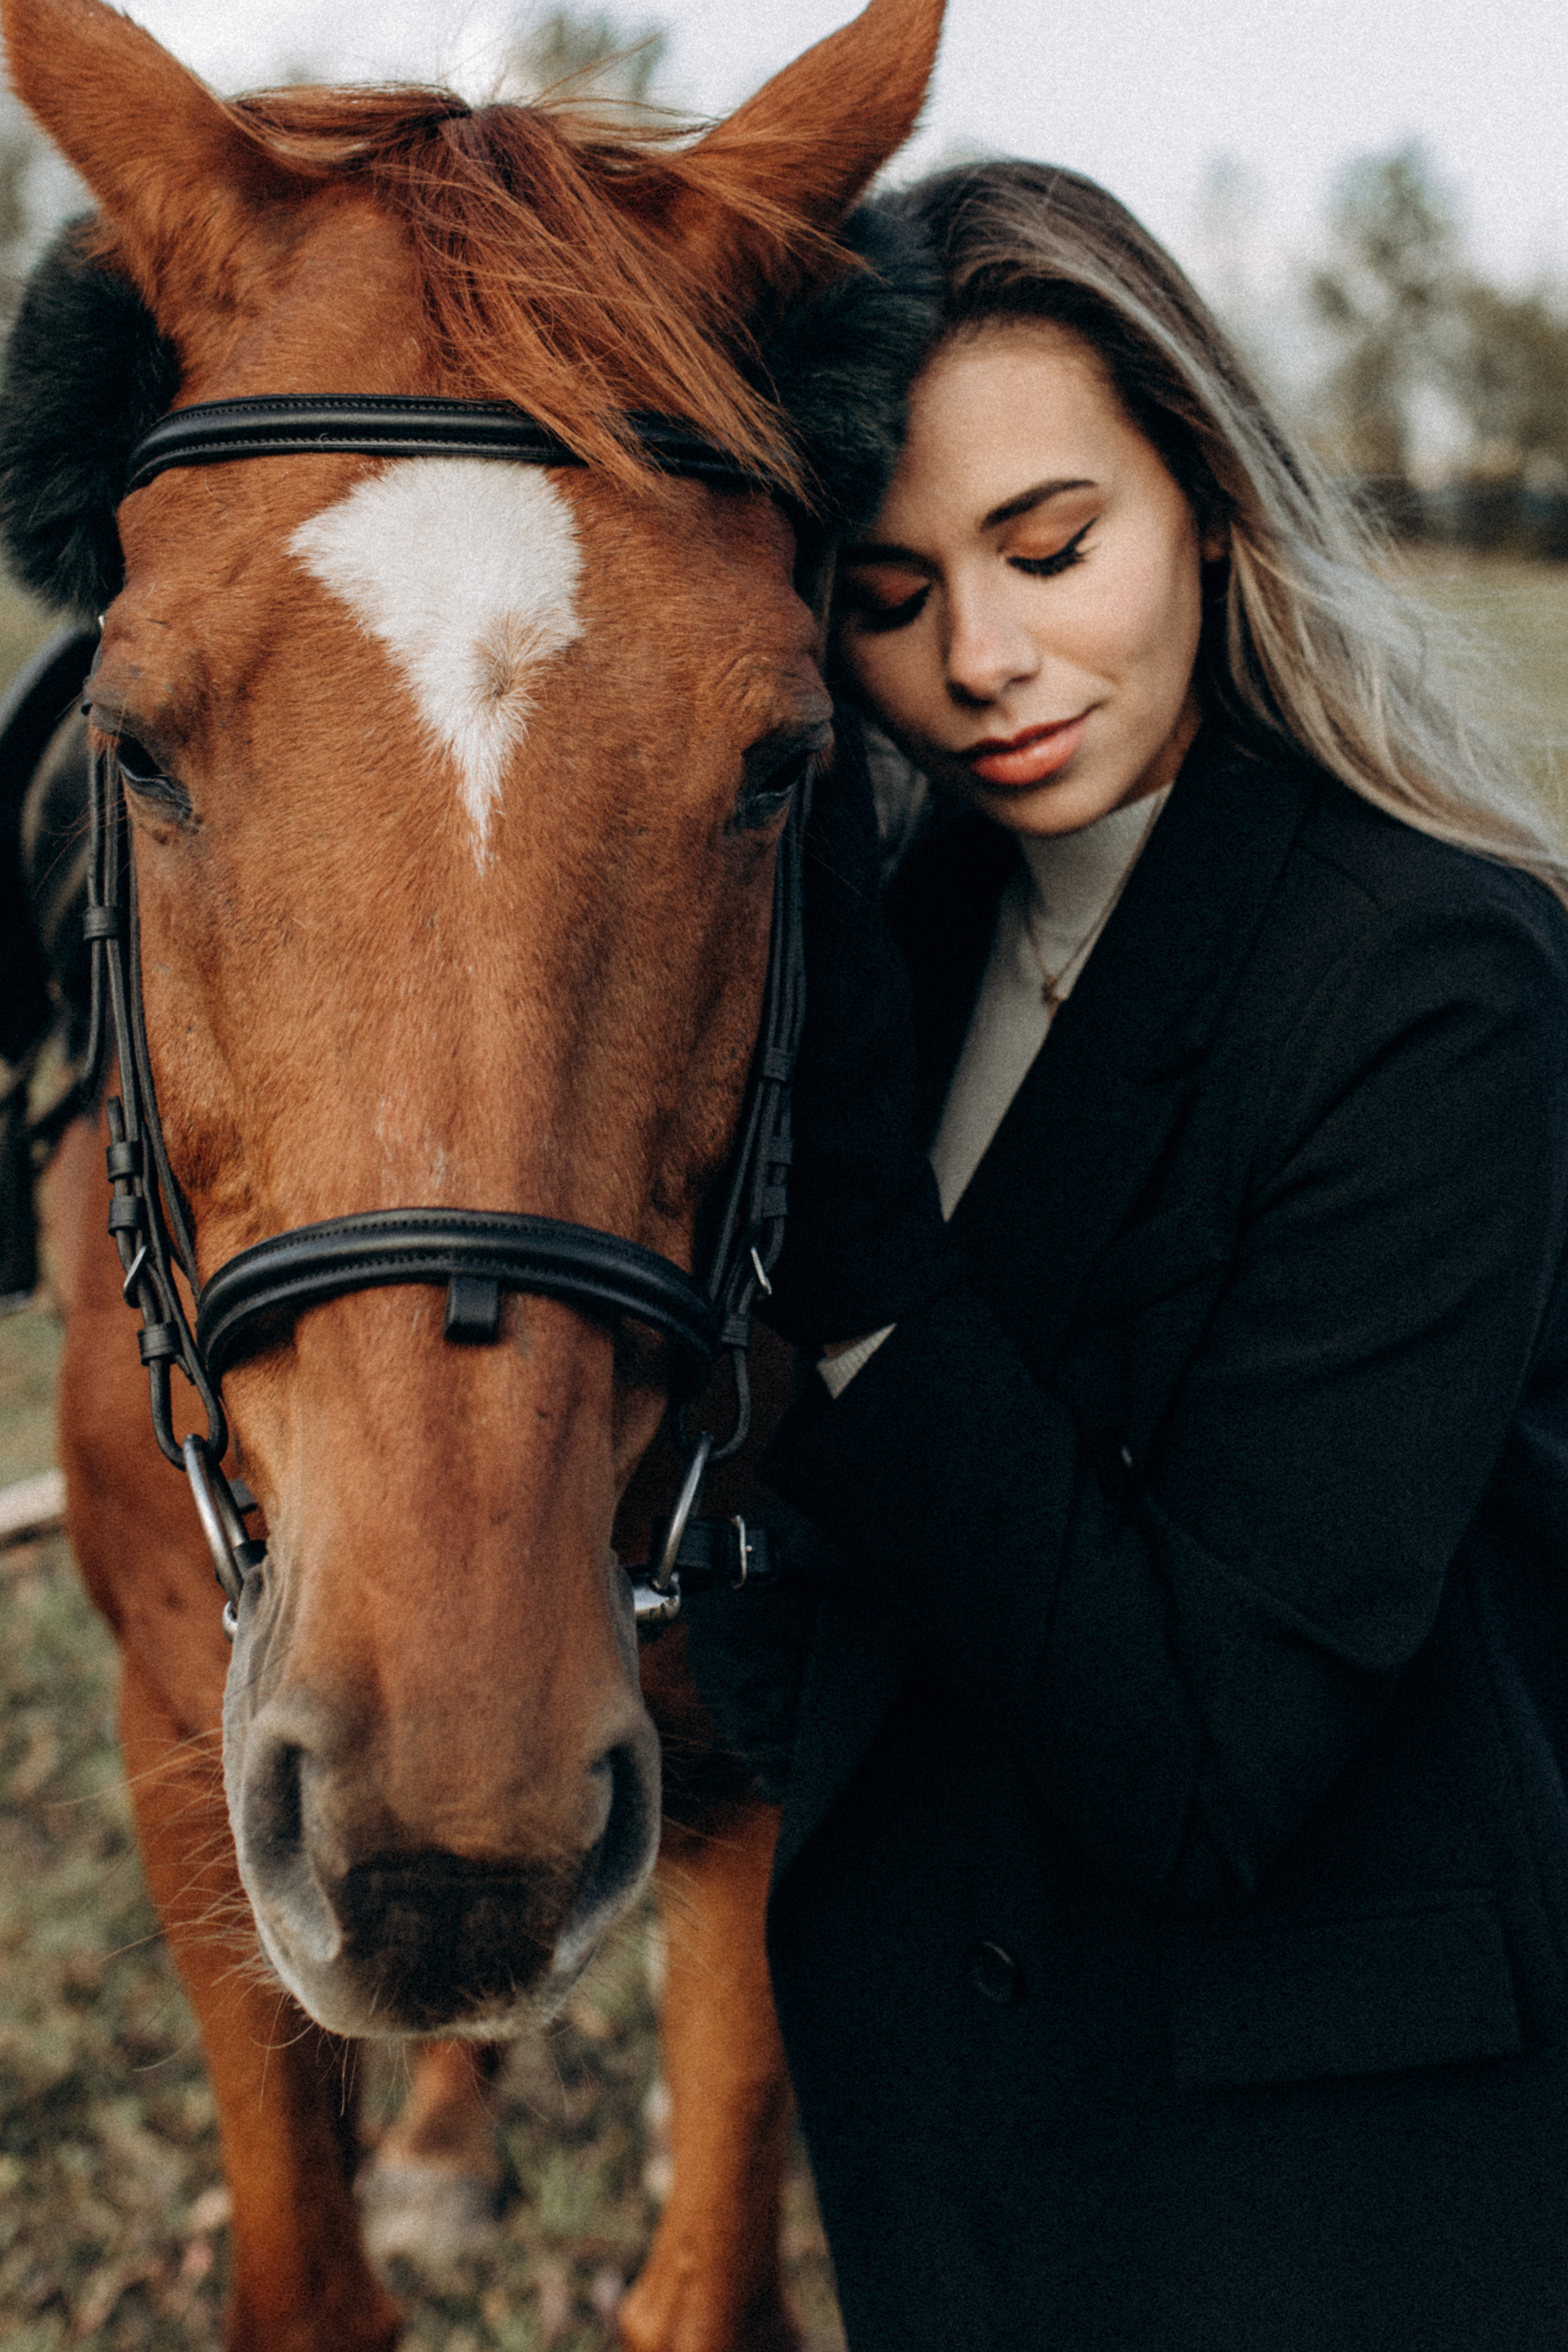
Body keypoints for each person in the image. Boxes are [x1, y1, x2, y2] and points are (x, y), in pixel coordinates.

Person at [693, 161, 1568, 2352]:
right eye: (890, 596)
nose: (980, 662)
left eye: (1052, 546)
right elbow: (832, 1624)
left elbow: (1211, 1756)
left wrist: (865, 1285)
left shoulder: (1434, 986)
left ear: (1209, 499)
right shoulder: (913, 946)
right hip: (962, 2159)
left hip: (1322, 2200)